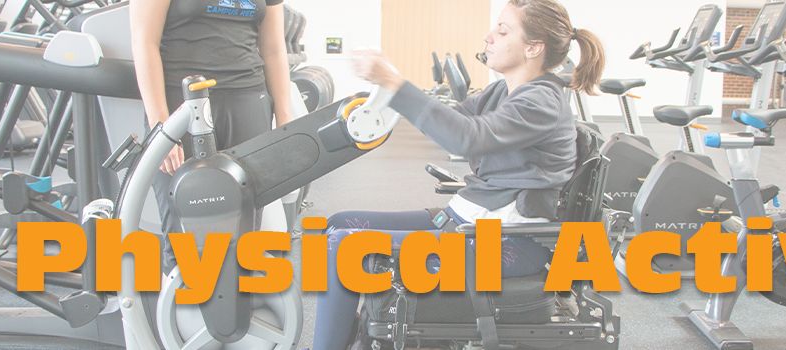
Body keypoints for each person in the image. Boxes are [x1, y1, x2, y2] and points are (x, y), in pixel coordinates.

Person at [310, 0, 605, 349]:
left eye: (502, 31)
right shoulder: (504, 90)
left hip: (508, 243)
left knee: (342, 245)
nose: (488, 36)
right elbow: (453, 119)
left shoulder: (542, 101)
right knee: (340, 222)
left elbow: (466, 138)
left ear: (533, 48)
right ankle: (348, 333)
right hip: (468, 221)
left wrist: (393, 82)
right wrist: (387, 95)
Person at [129, 0, 293, 237]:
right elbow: (144, 43)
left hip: (249, 101)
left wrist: (285, 120)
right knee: (184, 231)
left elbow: (274, 49)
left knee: (245, 228)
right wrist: (160, 126)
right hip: (183, 103)